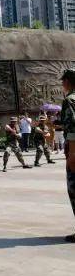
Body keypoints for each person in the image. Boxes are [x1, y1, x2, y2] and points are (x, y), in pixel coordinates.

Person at [60, 68, 75, 243]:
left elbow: (72, 129)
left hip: (74, 149)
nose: (62, 83)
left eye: (63, 80)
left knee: (74, 189)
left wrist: (72, 154)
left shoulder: (69, 100)